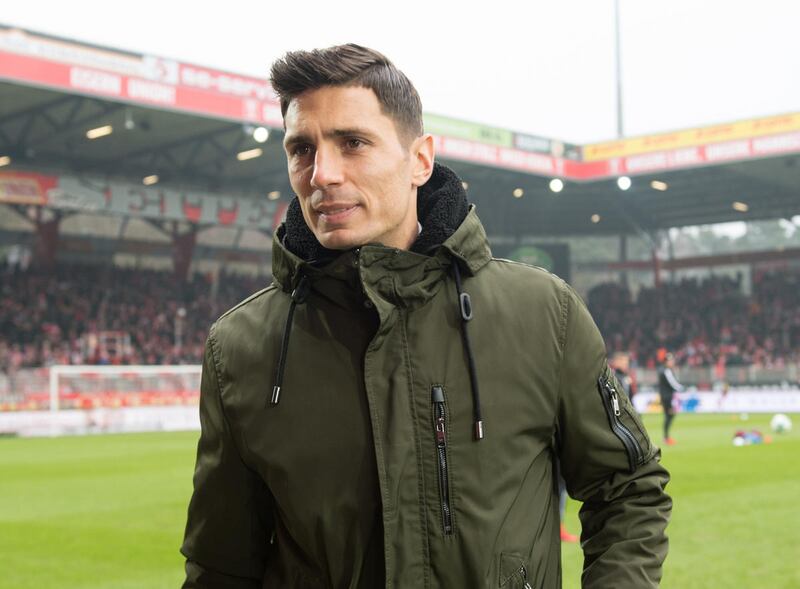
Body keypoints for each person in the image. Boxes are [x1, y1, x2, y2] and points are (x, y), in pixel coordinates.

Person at [181, 44, 671, 588]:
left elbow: (628, 488)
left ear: (420, 160)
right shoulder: (241, 346)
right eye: (302, 149)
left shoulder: (542, 313)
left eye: (353, 143)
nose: (322, 173)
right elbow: (221, 563)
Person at [658, 353, 683, 445]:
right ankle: (666, 438)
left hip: (666, 396)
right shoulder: (666, 371)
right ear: (666, 362)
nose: (672, 362)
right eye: (670, 360)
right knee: (669, 416)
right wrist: (682, 388)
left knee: (669, 416)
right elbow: (673, 383)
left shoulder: (664, 370)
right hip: (667, 397)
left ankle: (666, 437)